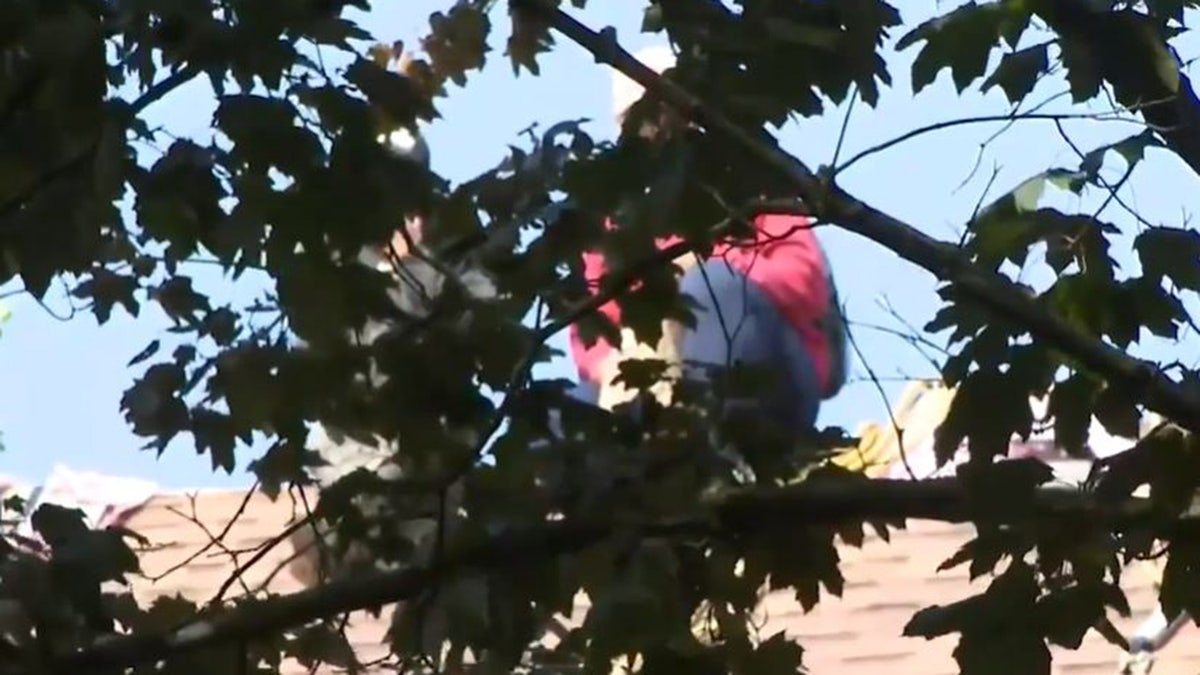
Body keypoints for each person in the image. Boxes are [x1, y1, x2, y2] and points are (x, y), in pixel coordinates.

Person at [567, 45, 846, 439]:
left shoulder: (751, 183)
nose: (657, 125)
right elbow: (590, 330)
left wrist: (709, 270)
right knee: (563, 408)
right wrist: (614, 363)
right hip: (650, 389)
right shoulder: (615, 222)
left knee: (712, 285)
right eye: (643, 115)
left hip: (773, 373)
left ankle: (707, 438)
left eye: (664, 106)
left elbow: (802, 280)